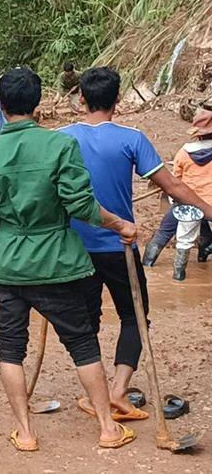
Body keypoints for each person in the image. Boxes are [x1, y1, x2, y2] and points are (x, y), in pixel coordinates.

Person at [0, 67, 137, 452]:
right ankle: (109, 429)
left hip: (9, 267)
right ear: (38, 104)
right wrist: (120, 225)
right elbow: (81, 206)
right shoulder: (59, 146)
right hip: (56, 263)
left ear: (1, 105)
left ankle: (26, 433)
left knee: (11, 348)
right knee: (82, 344)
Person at [58, 67, 212, 421]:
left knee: (85, 323)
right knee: (135, 316)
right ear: (117, 100)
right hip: (118, 245)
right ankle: (117, 391)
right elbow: (172, 187)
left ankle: (97, 395)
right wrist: (208, 210)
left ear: (80, 97)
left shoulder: (60, 139)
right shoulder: (132, 138)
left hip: (72, 249)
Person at [168, 108, 212, 280]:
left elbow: (176, 179)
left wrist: (175, 200)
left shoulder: (183, 153)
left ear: (198, 134)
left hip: (190, 202)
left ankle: (179, 274)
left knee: (184, 239)